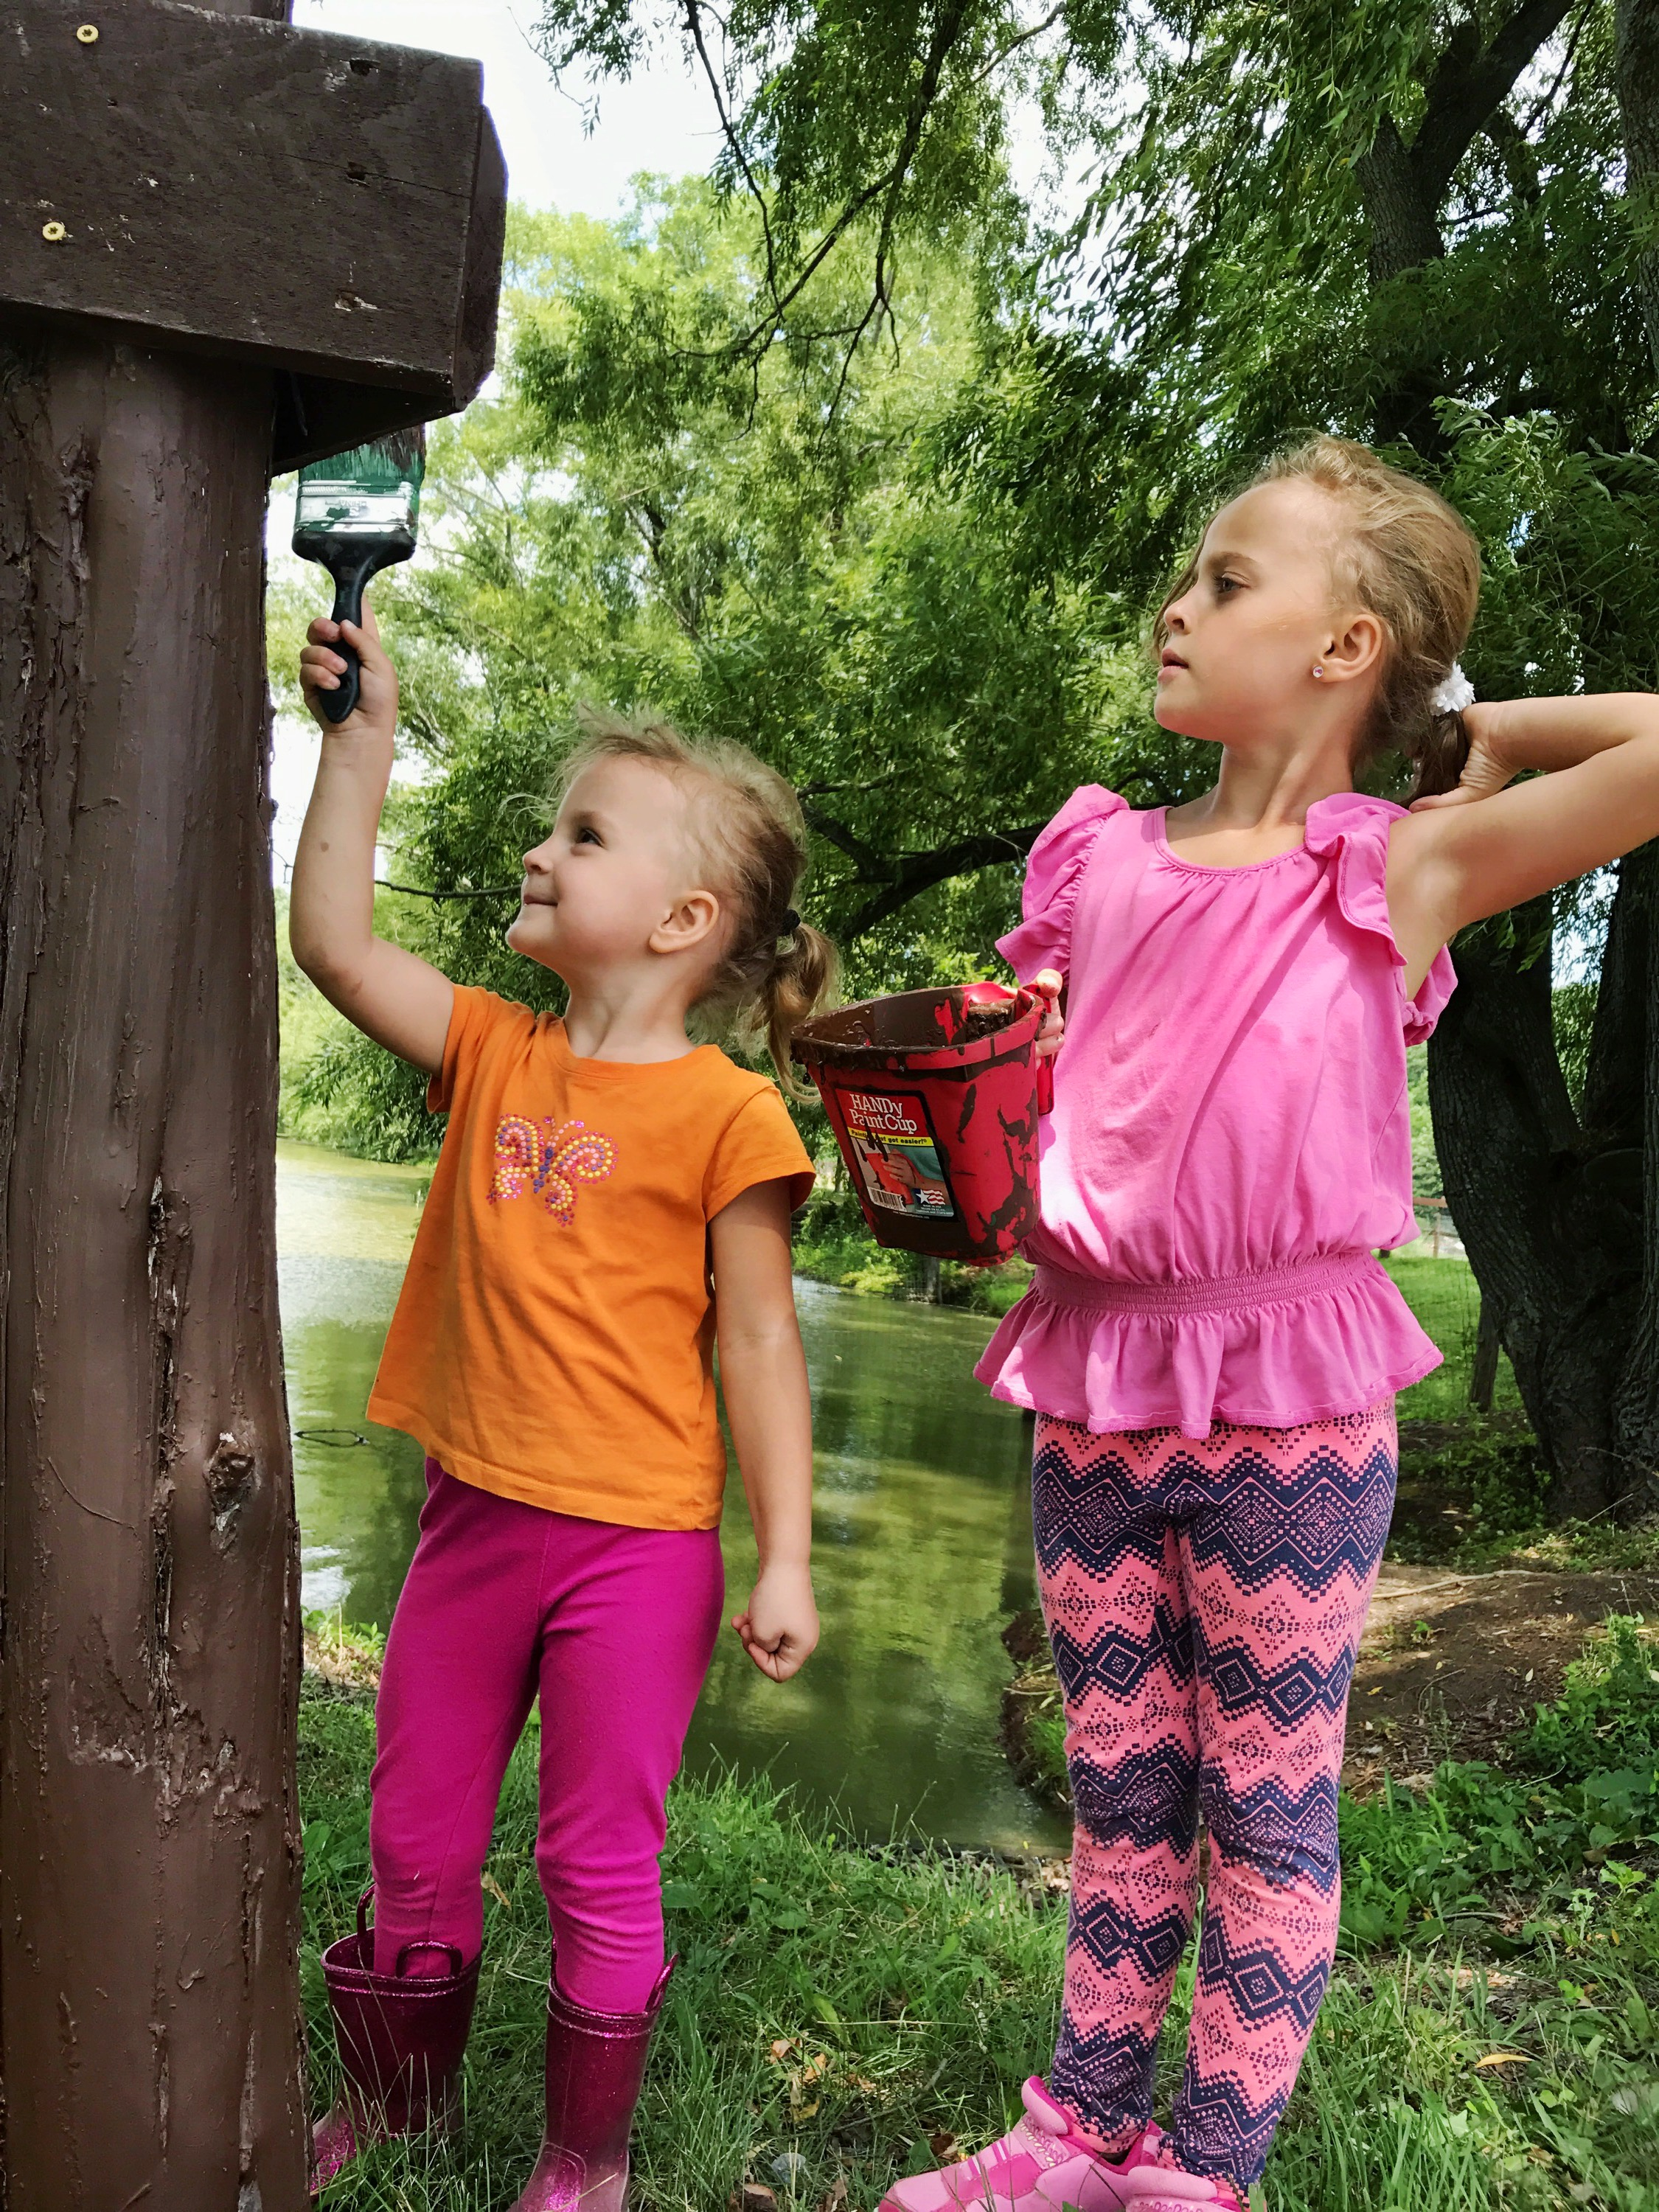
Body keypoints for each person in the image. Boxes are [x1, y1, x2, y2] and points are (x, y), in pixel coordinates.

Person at [880, 435, 1659, 2212]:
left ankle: (1200, 2167)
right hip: (1091, 1377)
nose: (1180, 600)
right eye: (1193, 571)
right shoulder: (1098, 862)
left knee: (1267, 1807)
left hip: (1292, 1403)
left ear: (1346, 650)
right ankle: (1072, 2133)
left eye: (1231, 579)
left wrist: (1481, 726)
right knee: (1121, 1787)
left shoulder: (1396, 869)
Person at [291, 605, 833, 2209]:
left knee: (599, 1861)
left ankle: (583, 2163)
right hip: (473, 1525)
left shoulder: (732, 1116)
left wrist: (784, 1552)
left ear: (681, 917)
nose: (539, 851)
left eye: (579, 834)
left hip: (639, 1555)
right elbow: (331, 943)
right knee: (418, 1827)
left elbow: (757, 1352)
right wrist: (361, 746)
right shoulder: (492, 1050)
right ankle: (397, 2109)